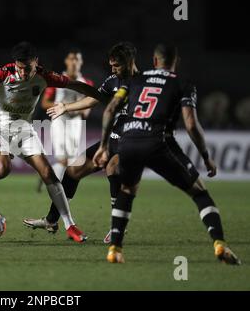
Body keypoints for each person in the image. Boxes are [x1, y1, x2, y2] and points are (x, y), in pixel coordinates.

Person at [93, 43, 241, 265]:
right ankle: (219, 244)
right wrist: (205, 155)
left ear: (154, 61)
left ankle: (115, 249)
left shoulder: (135, 80)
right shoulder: (182, 83)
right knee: (199, 193)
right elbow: (191, 124)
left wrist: (103, 146)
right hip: (158, 142)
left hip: (129, 141)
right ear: (175, 62)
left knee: (127, 190)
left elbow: (110, 109)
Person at [0, 42, 102, 242]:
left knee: (48, 173)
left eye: (27, 68)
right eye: (19, 67)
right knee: (2, 170)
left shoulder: (46, 76)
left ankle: (70, 225)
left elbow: (75, 85)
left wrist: (101, 94)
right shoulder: (4, 73)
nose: (23, 72)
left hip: (24, 129)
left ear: (36, 62)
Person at [23, 42, 137, 243]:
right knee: (72, 170)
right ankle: (51, 220)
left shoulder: (143, 83)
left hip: (134, 139)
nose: (112, 69)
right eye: (111, 65)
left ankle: (117, 227)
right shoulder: (113, 81)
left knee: (112, 168)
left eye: (116, 65)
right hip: (113, 139)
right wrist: (66, 106)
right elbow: (95, 99)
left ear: (129, 62)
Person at [36, 48, 93, 192]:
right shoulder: (57, 80)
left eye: (77, 59)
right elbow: (44, 102)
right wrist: (61, 107)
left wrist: (82, 110)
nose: (74, 62)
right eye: (71, 58)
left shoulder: (86, 82)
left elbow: (89, 104)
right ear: (66, 61)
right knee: (63, 158)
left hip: (76, 122)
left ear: (81, 62)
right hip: (59, 120)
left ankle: (47, 176)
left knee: (71, 160)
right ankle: (55, 185)